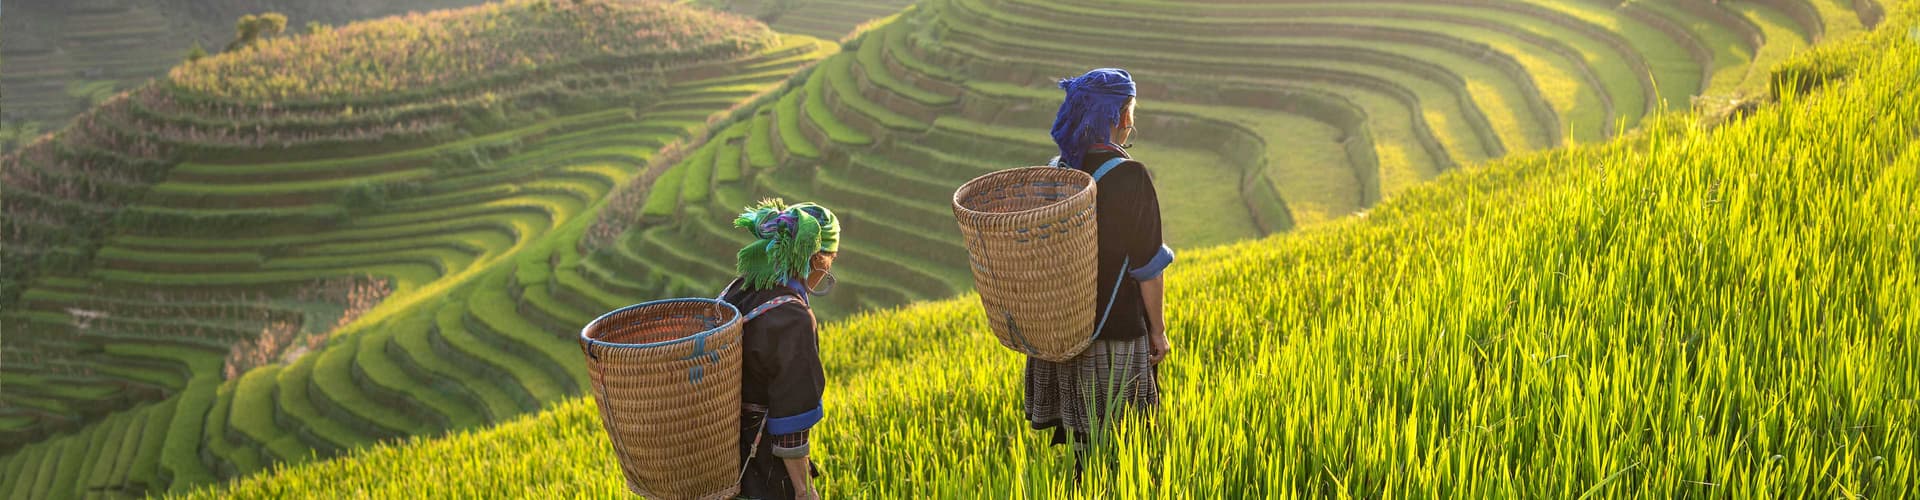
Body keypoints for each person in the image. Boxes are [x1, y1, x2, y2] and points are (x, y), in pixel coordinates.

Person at [1028, 68, 1175, 472]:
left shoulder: (1057, 171)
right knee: (1124, 453)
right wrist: (1158, 331)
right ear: (1119, 117)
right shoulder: (1131, 176)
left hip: (1065, 336)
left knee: (1084, 448)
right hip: (1116, 336)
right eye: (1130, 111)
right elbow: (1148, 267)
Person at [719, 199, 841, 500]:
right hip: (761, 470)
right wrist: (803, 490)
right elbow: (791, 415)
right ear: (815, 259)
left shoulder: (740, 287)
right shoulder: (793, 319)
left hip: (720, 458)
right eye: (832, 257)